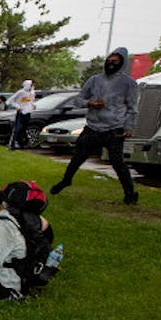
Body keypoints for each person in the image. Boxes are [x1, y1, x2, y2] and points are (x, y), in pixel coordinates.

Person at [50, 46, 141, 204]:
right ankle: (66, 180)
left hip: (114, 129)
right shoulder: (94, 80)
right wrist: (90, 103)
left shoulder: (129, 84)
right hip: (92, 127)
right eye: (109, 61)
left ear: (122, 63)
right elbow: (78, 100)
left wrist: (128, 127)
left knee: (117, 163)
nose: (111, 64)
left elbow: (133, 108)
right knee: (77, 157)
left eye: (115, 62)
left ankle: (130, 194)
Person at [7, 79, 36, 150]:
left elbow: (31, 101)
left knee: (24, 129)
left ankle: (22, 144)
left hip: (28, 113)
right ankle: (12, 145)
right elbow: (10, 101)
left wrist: (33, 105)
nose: (32, 86)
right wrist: (18, 107)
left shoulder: (32, 93)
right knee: (16, 129)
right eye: (31, 85)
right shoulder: (20, 92)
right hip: (20, 113)